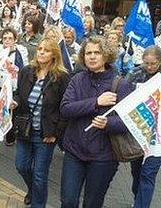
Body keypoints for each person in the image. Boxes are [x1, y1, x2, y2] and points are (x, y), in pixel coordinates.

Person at [60, 35, 134, 208]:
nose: (92, 57)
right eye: (88, 53)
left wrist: (109, 124)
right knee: (68, 201)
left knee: (92, 204)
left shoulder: (121, 85)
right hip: (74, 151)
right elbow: (65, 108)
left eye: (97, 53)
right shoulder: (77, 79)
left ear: (106, 55)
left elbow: (128, 121)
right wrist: (95, 102)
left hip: (104, 157)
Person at [11, 37, 70, 207]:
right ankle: (33, 190)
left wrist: (56, 134)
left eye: (46, 50)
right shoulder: (26, 71)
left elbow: (64, 108)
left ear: (54, 55)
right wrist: (15, 101)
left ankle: (38, 204)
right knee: (21, 166)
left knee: (39, 174)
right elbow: (19, 94)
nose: (42, 52)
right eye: (40, 49)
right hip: (25, 130)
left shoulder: (61, 77)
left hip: (46, 135)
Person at [125, 45, 161, 208]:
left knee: (148, 174)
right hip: (138, 132)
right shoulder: (135, 73)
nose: (149, 67)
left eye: (153, 63)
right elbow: (124, 97)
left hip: (157, 138)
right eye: (146, 63)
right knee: (137, 172)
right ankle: (137, 199)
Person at [0, 27, 28, 151]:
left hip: (13, 87)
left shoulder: (21, 52)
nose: (7, 40)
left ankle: (10, 136)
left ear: (15, 39)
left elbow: (24, 68)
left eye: (10, 38)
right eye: (5, 38)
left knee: (12, 113)